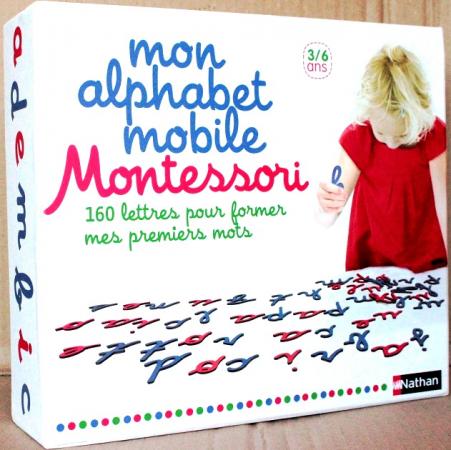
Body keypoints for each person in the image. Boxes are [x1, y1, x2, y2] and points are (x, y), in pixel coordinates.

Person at [317, 45, 447, 273]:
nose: (392, 144)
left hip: (429, 266)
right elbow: (326, 217)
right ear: (367, 114)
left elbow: (446, 211)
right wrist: (325, 205)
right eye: (382, 134)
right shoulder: (358, 137)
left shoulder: (434, 135)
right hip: (373, 266)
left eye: (403, 135)